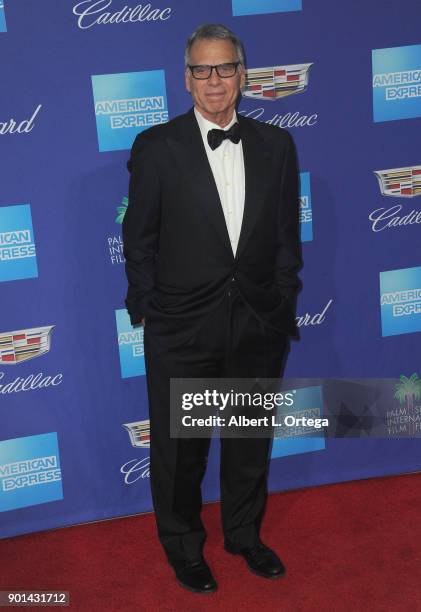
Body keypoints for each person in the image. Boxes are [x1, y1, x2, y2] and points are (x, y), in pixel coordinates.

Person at [123, 23, 302, 594]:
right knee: (181, 453)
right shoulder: (157, 147)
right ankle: (182, 547)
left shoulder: (277, 145)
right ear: (186, 80)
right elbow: (139, 240)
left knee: (249, 442)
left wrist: (281, 296)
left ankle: (244, 535)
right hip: (182, 328)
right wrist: (152, 309)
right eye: (202, 69)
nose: (215, 80)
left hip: (256, 320)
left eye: (225, 68)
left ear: (243, 75)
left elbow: (284, 236)